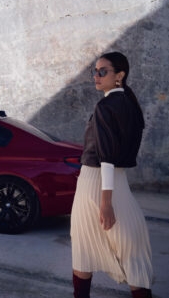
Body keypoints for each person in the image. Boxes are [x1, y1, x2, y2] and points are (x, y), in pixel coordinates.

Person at [70, 52, 153, 298]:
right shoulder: (130, 104)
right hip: (119, 181)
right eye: (94, 71)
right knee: (133, 252)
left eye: (102, 71)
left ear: (120, 75)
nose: (96, 76)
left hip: (95, 183)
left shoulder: (106, 105)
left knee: (84, 249)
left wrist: (105, 203)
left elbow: (106, 157)